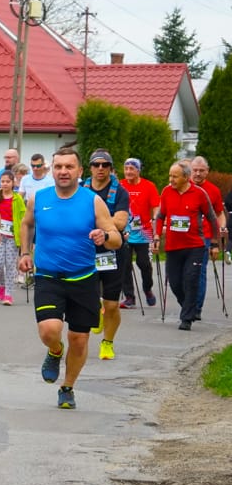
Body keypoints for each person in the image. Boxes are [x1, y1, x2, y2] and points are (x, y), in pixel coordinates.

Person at [18, 145, 122, 410]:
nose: (63, 171)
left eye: (69, 167)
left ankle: (67, 387)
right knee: (49, 330)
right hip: (48, 276)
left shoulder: (92, 200)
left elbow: (117, 239)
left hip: (83, 278)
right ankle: (54, 350)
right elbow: (27, 223)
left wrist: (104, 236)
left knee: (79, 339)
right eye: (58, 166)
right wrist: (25, 252)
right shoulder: (39, 198)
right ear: (52, 170)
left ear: (79, 171)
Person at [153, 161, 219, 331]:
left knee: (191, 280)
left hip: (195, 246)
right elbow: (160, 216)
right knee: (175, 283)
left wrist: (214, 243)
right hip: (173, 247)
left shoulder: (199, 193)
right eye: (170, 175)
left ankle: (187, 318)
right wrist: (156, 236)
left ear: (186, 177)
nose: (171, 179)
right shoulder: (167, 191)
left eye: (174, 176)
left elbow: (212, 218)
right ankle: (188, 307)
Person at [83, 150, 130, 361]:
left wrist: (93, 221)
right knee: (88, 298)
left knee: (111, 304)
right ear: (90, 167)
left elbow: (119, 223)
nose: (100, 168)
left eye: (105, 165)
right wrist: (105, 220)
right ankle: (96, 311)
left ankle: (107, 342)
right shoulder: (81, 190)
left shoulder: (119, 192)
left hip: (112, 252)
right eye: (96, 164)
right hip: (85, 251)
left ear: (111, 168)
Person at [189, 156, 227, 320]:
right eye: (195, 170)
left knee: (199, 272)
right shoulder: (181, 187)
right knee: (183, 274)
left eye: (201, 170)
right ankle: (187, 303)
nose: (197, 174)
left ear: (207, 172)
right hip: (182, 237)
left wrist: (217, 238)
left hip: (203, 237)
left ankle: (196, 308)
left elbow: (219, 214)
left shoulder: (213, 190)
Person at [119, 158, 160, 309]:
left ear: (138, 170)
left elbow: (156, 206)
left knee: (143, 263)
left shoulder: (148, 186)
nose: (128, 172)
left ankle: (147, 288)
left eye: (132, 168)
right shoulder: (120, 185)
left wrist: (156, 220)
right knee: (124, 264)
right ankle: (129, 297)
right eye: (126, 168)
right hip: (125, 231)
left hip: (144, 231)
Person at [0, 170, 26, 306]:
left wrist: (23, 235)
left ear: (13, 183)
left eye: (7, 181)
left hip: (12, 236)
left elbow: (23, 218)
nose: (5, 184)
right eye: (2, 181)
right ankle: (2, 285)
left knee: (10, 265)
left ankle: (8, 294)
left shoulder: (18, 199)